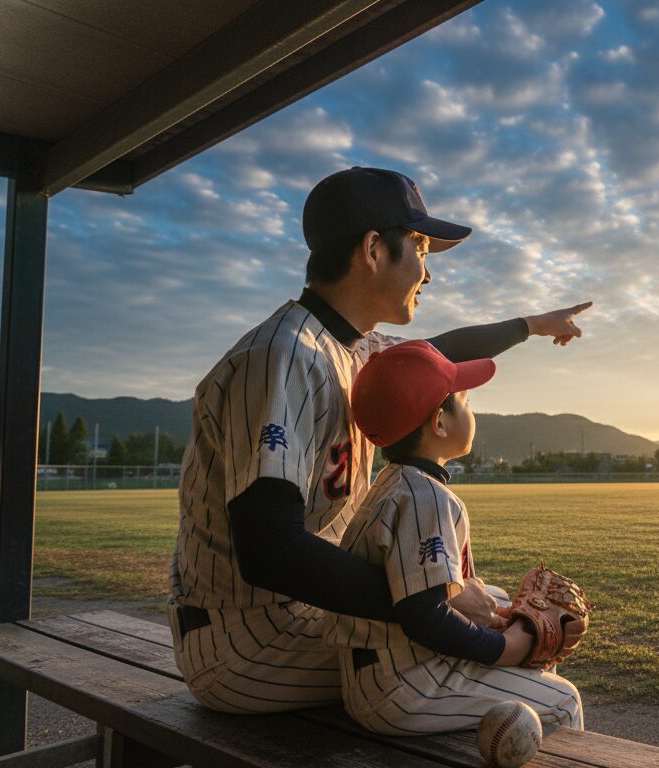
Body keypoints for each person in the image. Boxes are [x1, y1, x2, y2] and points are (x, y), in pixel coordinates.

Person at [167, 166, 591, 713]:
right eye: (420, 249)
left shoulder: (350, 347)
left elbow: (440, 354)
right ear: (373, 250)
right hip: (249, 640)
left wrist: (532, 324)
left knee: (496, 605)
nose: (427, 273)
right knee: (546, 691)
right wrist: (433, 600)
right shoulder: (284, 356)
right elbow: (271, 552)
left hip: (293, 614)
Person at [325, 340, 582, 734]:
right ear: (440, 423)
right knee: (564, 700)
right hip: (405, 686)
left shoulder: (395, 482)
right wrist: (509, 647)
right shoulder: (424, 495)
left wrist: (506, 623)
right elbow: (425, 616)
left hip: (380, 672)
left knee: (496, 599)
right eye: (466, 402)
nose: (472, 411)